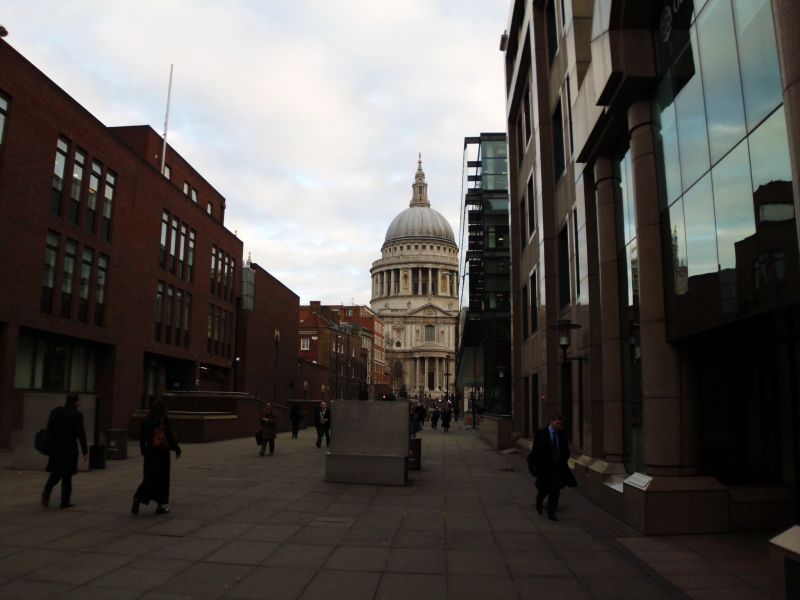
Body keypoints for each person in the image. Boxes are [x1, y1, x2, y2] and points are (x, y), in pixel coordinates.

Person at [132, 400, 181, 515]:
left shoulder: (147, 420)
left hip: (150, 453)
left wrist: (144, 451)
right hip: (162, 453)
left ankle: (138, 497)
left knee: (149, 478)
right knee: (162, 479)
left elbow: (142, 439)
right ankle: (160, 505)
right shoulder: (163, 420)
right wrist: (177, 449)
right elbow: (169, 435)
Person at [41, 393, 88, 509]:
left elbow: (49, 428)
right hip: (69, 449)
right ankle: (65, 501)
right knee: (67, 475)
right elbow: (80, 434)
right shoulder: (77, 415)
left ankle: (47, 490)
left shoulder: (56, 411)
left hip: (56, 448)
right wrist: (85, 451)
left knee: (56, 471)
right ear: (76, 402)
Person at [531, 415, 576, 521]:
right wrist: (535, 466)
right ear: (551, 421)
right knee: (544, 489)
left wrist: (562, 461)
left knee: (555, 491)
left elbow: (565, 451)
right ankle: (539, 500)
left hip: (557, 468)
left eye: (561, 424)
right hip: (544, 468)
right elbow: (535, 451)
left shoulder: (562, 435)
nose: (559, 426)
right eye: (557, 423)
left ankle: (551, 512)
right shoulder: (540, 433)